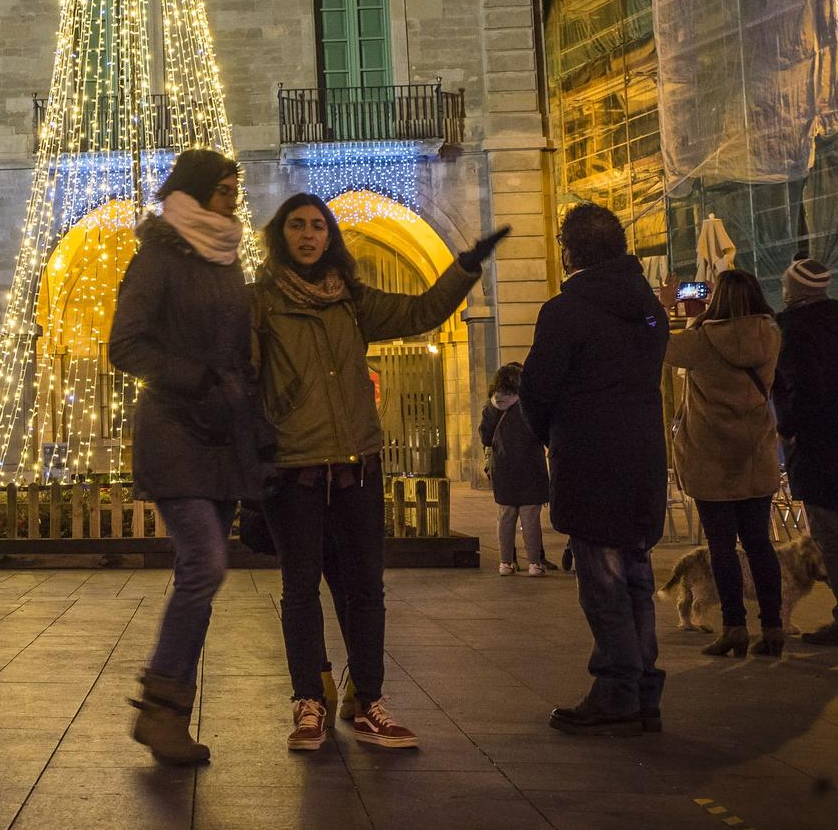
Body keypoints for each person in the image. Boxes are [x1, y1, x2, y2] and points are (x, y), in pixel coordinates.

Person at [253, 193, 506, 753]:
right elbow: (242, 375)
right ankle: (309, 701)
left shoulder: (352, 300)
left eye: (318, 226)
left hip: (356, 467)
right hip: (292, 468)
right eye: (297, 225)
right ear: (281, 235)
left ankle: (368, 700)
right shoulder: (261, 303)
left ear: (330, 238)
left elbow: (419, 312)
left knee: (367, 588)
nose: (308, 235)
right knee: (300, 590)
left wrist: (464, 267)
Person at [109, 149, 267, 767]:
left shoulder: (227, 258)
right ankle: (159, 708)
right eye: (225, 190)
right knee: (205, 564)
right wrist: (197, 379)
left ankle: (168, 714)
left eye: (236, 190)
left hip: (223, 436)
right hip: (175, 431)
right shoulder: (157, 257)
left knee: (200, 570)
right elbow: (126, 344)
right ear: (197, 193)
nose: (234, 200)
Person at [520, 203, 669, 736]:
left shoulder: (565, 311)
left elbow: (535, 391)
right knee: (636, 577)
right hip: (643, 459)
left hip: (590, 459)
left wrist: (553, 435)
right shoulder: (650, 309)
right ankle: (644, 689)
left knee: (603, 583)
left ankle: (616, 691)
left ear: (570, 250)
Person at [667, 268, 785, 658]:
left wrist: (663, 308)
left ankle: (734, 626)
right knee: (759, 544)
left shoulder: (701, 342)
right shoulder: (770, 335)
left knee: (721, 547)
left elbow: (656, 342)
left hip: (712, 459)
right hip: (755, 455)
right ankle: (773, 627)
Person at [772, 257, 838, 646]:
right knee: (831, 532)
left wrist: (788, 428)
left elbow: (802, 387)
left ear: (794, 290)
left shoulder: (798, 330)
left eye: (786, 284)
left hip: (816, 444)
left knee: (827, 534)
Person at [479, 363, 550, 577]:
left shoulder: (492, 407)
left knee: (506, 515)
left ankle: (505, 563)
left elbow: (485, 437)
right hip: (531, 466)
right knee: (530, 517)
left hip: (503, 467)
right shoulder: (529, 405)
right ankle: (535, 564)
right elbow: (544, 431)